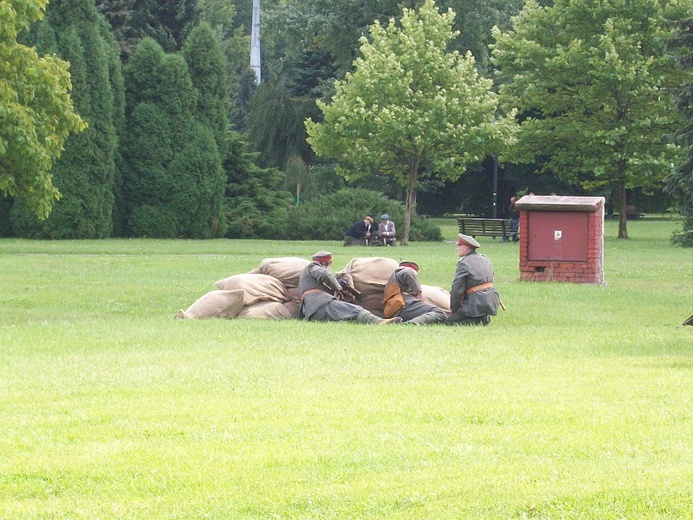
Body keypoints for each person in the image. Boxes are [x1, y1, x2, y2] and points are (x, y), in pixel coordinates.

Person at [298, 251, 403, 324]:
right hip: (319, 305)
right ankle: (379, 322)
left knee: (347, 313)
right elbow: (324, 275)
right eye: (329, 264)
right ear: (325, 263)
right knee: (356, 310)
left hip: (313, 310)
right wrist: (338, 287)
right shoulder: (313, 267)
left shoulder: (308, 274)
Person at [445, 234, 501, 326]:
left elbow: (457, 288)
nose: (457, 248)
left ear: (466, 248)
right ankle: (483, 316)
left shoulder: (464, 263)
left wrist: (454, 309)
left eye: (459, 246)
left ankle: (476, 320)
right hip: (491, 300)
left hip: (476, 302)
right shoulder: (485, 259)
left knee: (449, 322)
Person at [382, 261, 447, 325]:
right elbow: (407, 272)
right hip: (404, 305)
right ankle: (412, 323)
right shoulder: (403, 272)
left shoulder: (395, 280)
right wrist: (418, 292)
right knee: (439, 313)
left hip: (398, 310)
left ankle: (411, 322)